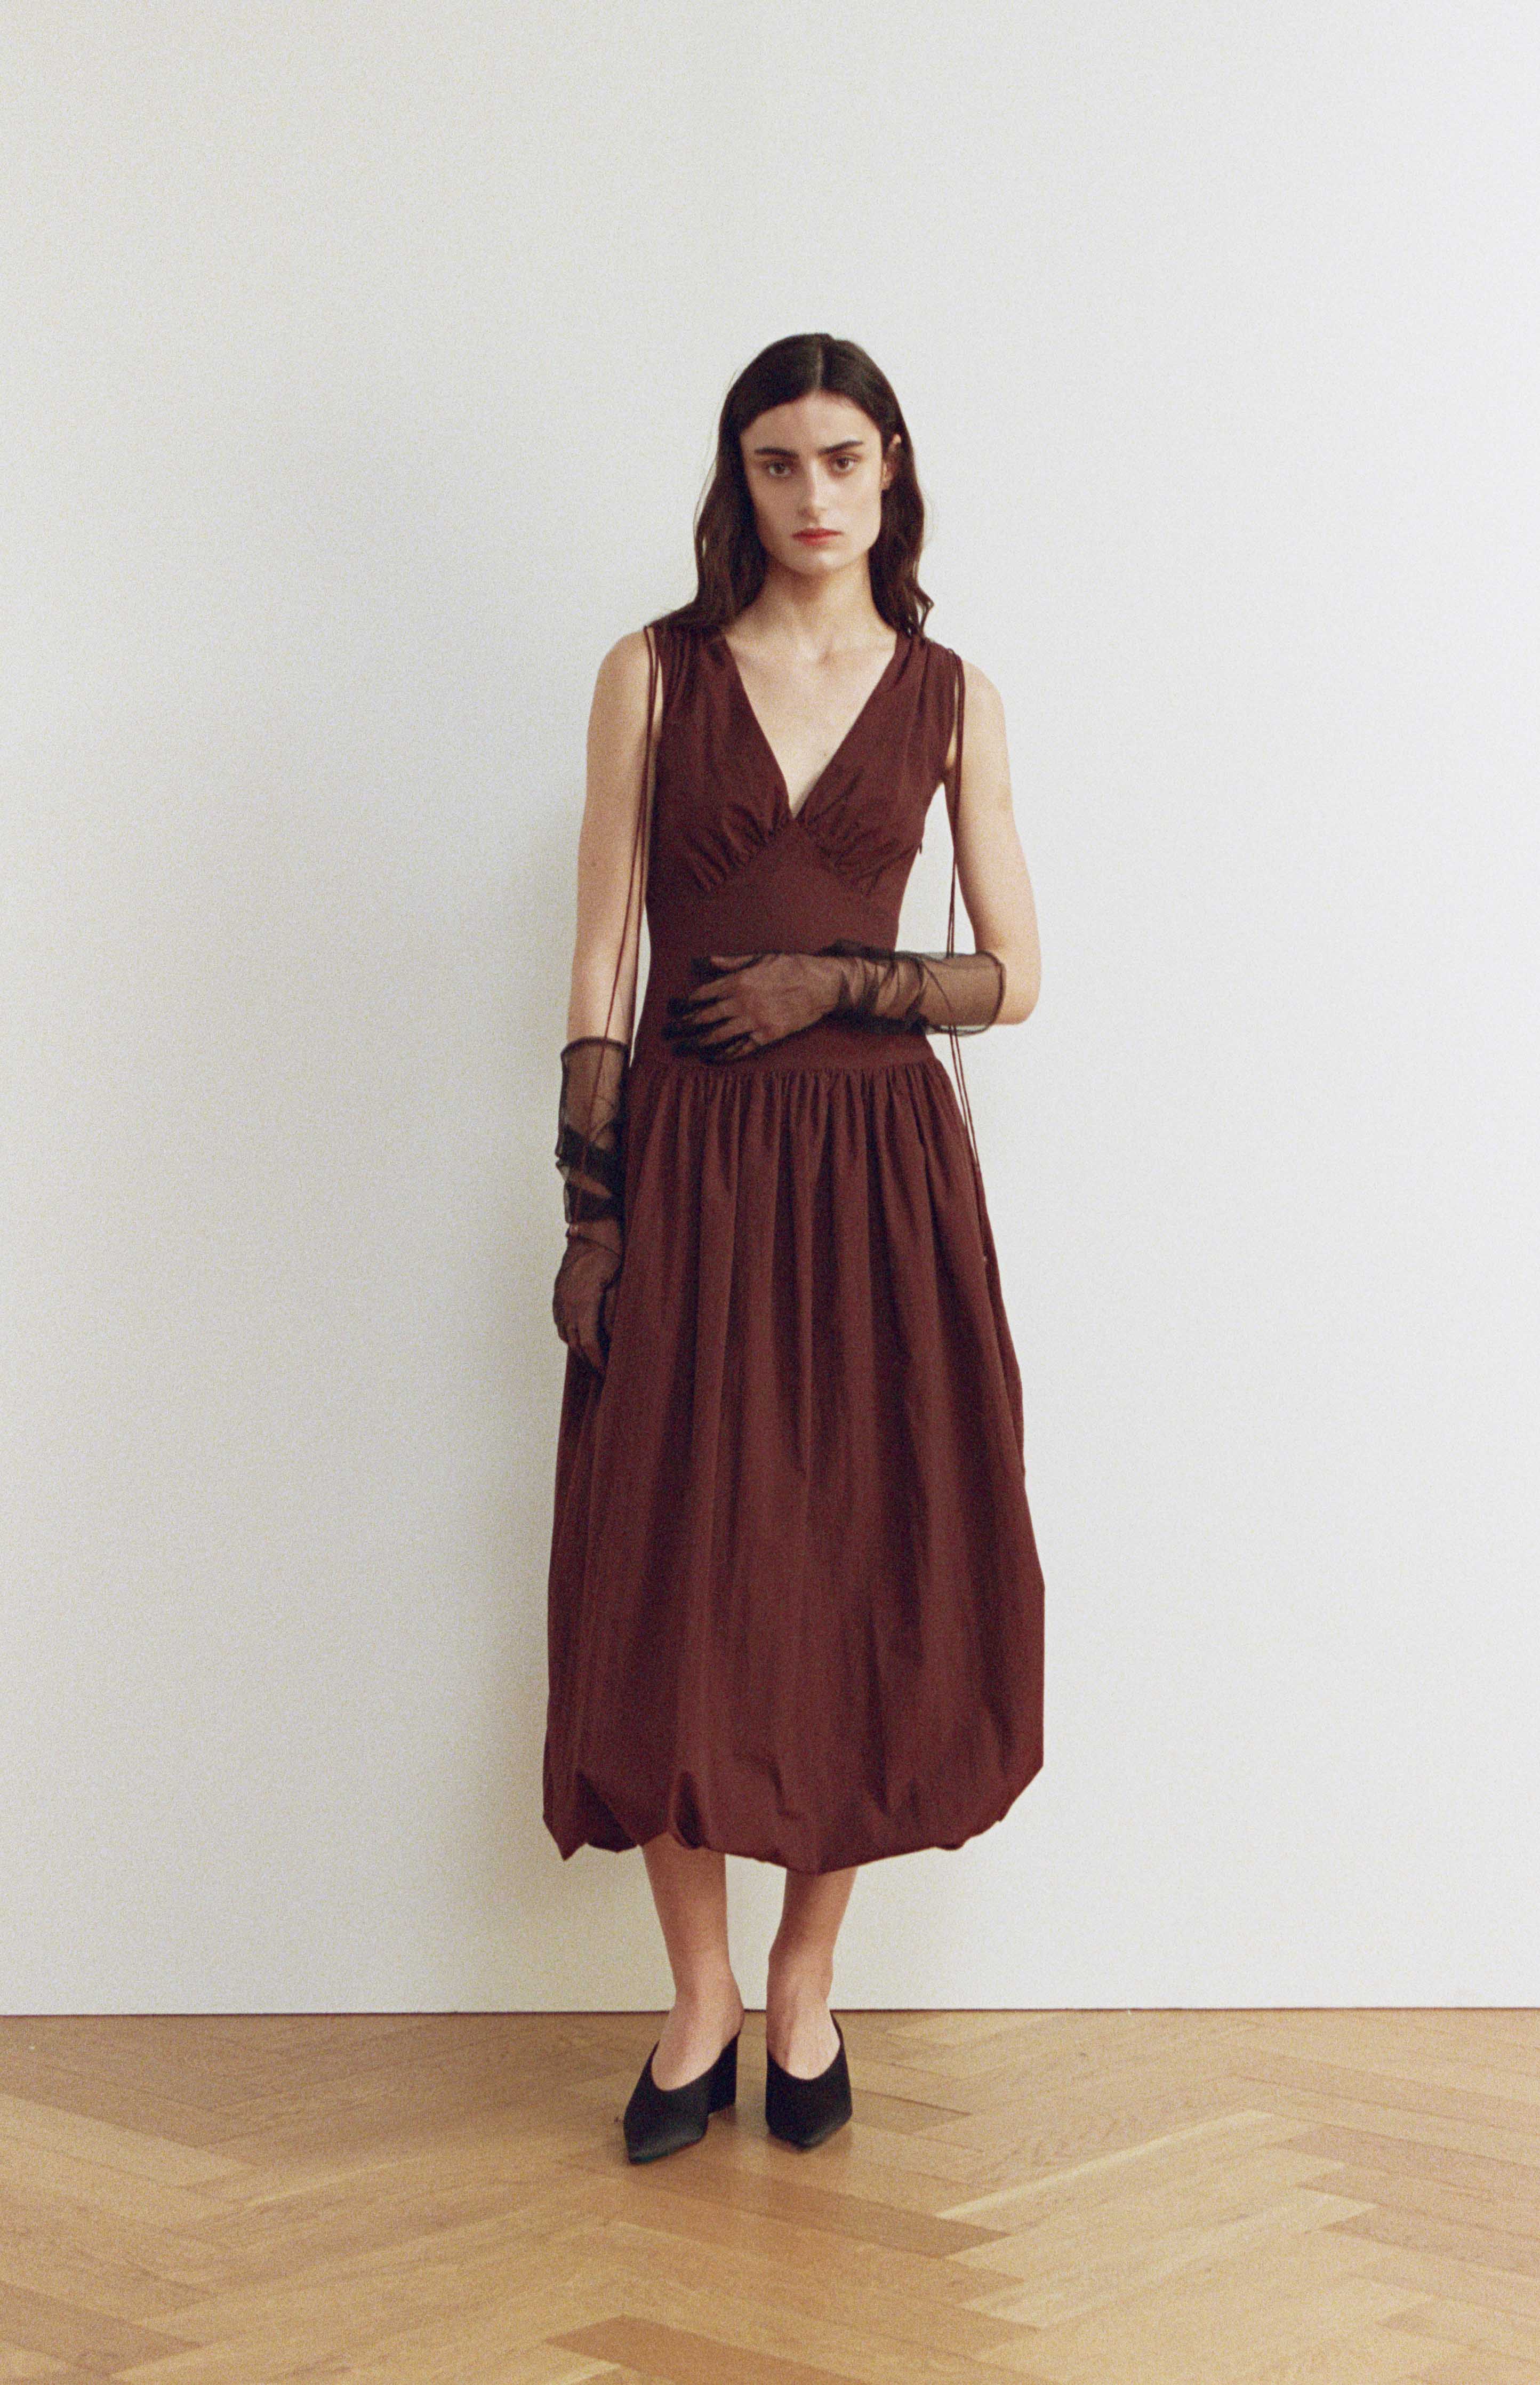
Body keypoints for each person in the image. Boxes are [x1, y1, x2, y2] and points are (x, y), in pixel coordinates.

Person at [543, 333, 1046, 2162]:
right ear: (737, 480)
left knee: (856, 1572)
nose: (814, 495)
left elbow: (1016, 974)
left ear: (892, 466)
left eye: (843, 458)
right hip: (691, 1163)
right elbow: (603, 953)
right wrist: (590, 1205)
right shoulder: (654, 673)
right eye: (778, 463)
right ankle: (699, 2004)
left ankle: (809, 1986)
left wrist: (838, 980)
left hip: (877, 1180)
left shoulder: (954, 694)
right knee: (670, 1571)